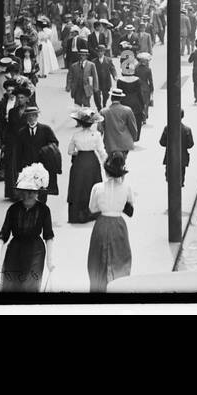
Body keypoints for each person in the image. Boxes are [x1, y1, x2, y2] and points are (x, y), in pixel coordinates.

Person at [0, 163, 55, 293]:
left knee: (30, 286)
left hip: (36, 252)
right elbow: (3, 235)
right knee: (11, 286)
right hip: (15, 251)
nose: (27, 196)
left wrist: (50, 260)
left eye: (32, 192)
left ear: (37, 192)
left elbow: (48, 236)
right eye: (25, 192)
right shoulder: (13, 209)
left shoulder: (44, 210)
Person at [87, 154, 135, 292]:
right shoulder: (127, 187)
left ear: (106, 171)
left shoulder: (97, 187)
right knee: (121, 258)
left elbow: (92, 208)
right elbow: (130, 207)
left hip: (101, 223)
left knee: (98, 259)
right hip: (118, 223)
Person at [9, 105, 60, 202]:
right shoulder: (22, 132)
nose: (31, 118)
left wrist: (46, 150)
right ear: (26, 117)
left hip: (42, 168)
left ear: (37, 116)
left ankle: (42, 212)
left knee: (42, 193)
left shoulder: (46, 130)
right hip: (27, 168)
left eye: (33, 115)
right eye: (29, 116)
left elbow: (54, 144)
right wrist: (19, 169)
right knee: (28, 193)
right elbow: (18, 152)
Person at [66, 109, 108, 224]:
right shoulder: (97, 135)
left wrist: (78, 152)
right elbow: (101, 151)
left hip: (79, 162)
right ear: (92, 123)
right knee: (92, 186)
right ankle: (92, 213)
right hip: (92, 162)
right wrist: (107, 164)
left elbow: (70, 151)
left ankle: (76, 215)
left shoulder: (76, 135)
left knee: (78, 187)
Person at [101, 87, 139, 161]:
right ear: (121, 99)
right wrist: (133, 138)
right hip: (124, 144)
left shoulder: (104, 112)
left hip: (110, 144)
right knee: (122, 162)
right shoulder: (127, 110)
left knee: (110, 163)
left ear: (111, 98)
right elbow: (133, 127)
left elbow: (100, 129)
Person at [159, 111, 194, 187]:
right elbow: (190, 144)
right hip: (182, 158)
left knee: (169, 178)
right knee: (181, 177)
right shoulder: (187, 129)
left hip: (170, 157)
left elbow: (162, 142)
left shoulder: (167, 128)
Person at [93, 47, 116, 113]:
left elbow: (112, 69)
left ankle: (104, 104)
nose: (99, 53)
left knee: (106, 95)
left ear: (104, 52)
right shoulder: (93, 61)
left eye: (101, 51)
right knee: (97, 96)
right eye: (98, 52)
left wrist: (115, 76)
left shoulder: (108, 60)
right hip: (97, 81)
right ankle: (99, 108)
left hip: (106, 81)